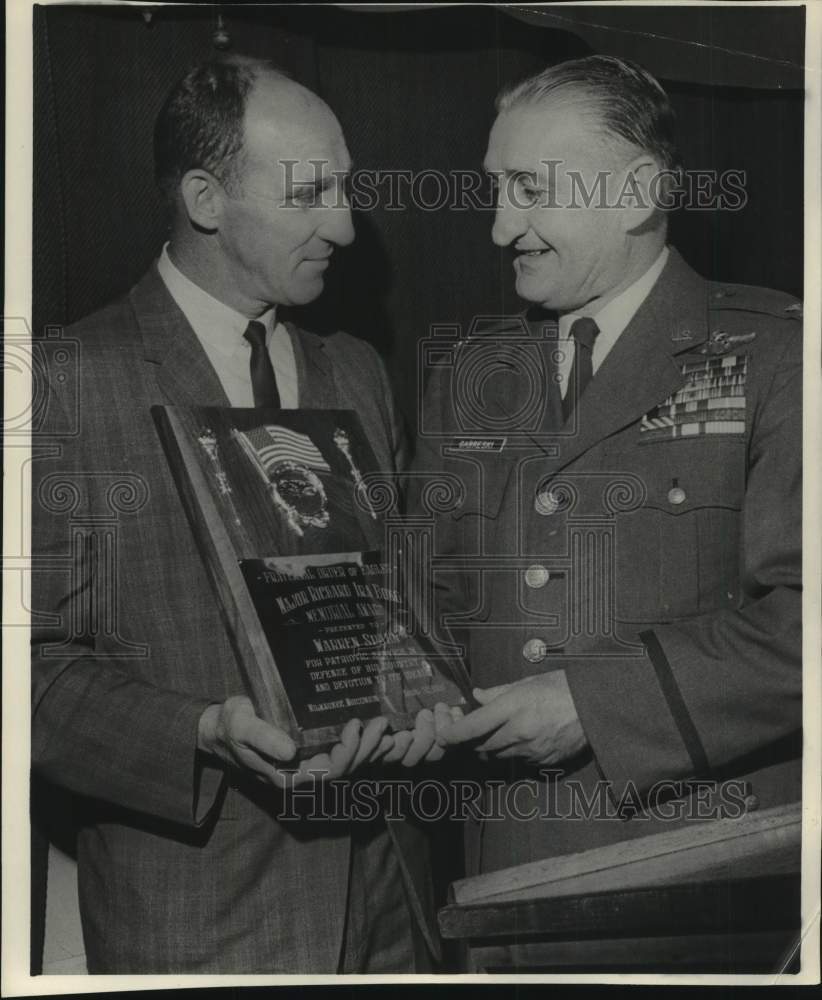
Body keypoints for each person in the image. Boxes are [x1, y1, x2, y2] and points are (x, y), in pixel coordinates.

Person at [31, 57, 442, 973]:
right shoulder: (65, 383)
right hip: (205, 923)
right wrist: (203, 732)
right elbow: (29, 674)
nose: (343, 223)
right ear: (206, 199)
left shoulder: (357, 376)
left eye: (345, 189)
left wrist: (422, 697)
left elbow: (408, 610)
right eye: (312, 194)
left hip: (395, 904)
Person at [414, 56, 802, 890]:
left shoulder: (779, 355)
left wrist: (597, 706)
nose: (498, 228)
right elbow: (425, 597)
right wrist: (402, 693)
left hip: (701, 872)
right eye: (495, 189)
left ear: (635, 195)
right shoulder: (471, 374)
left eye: (529, 188)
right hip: (502, 870)